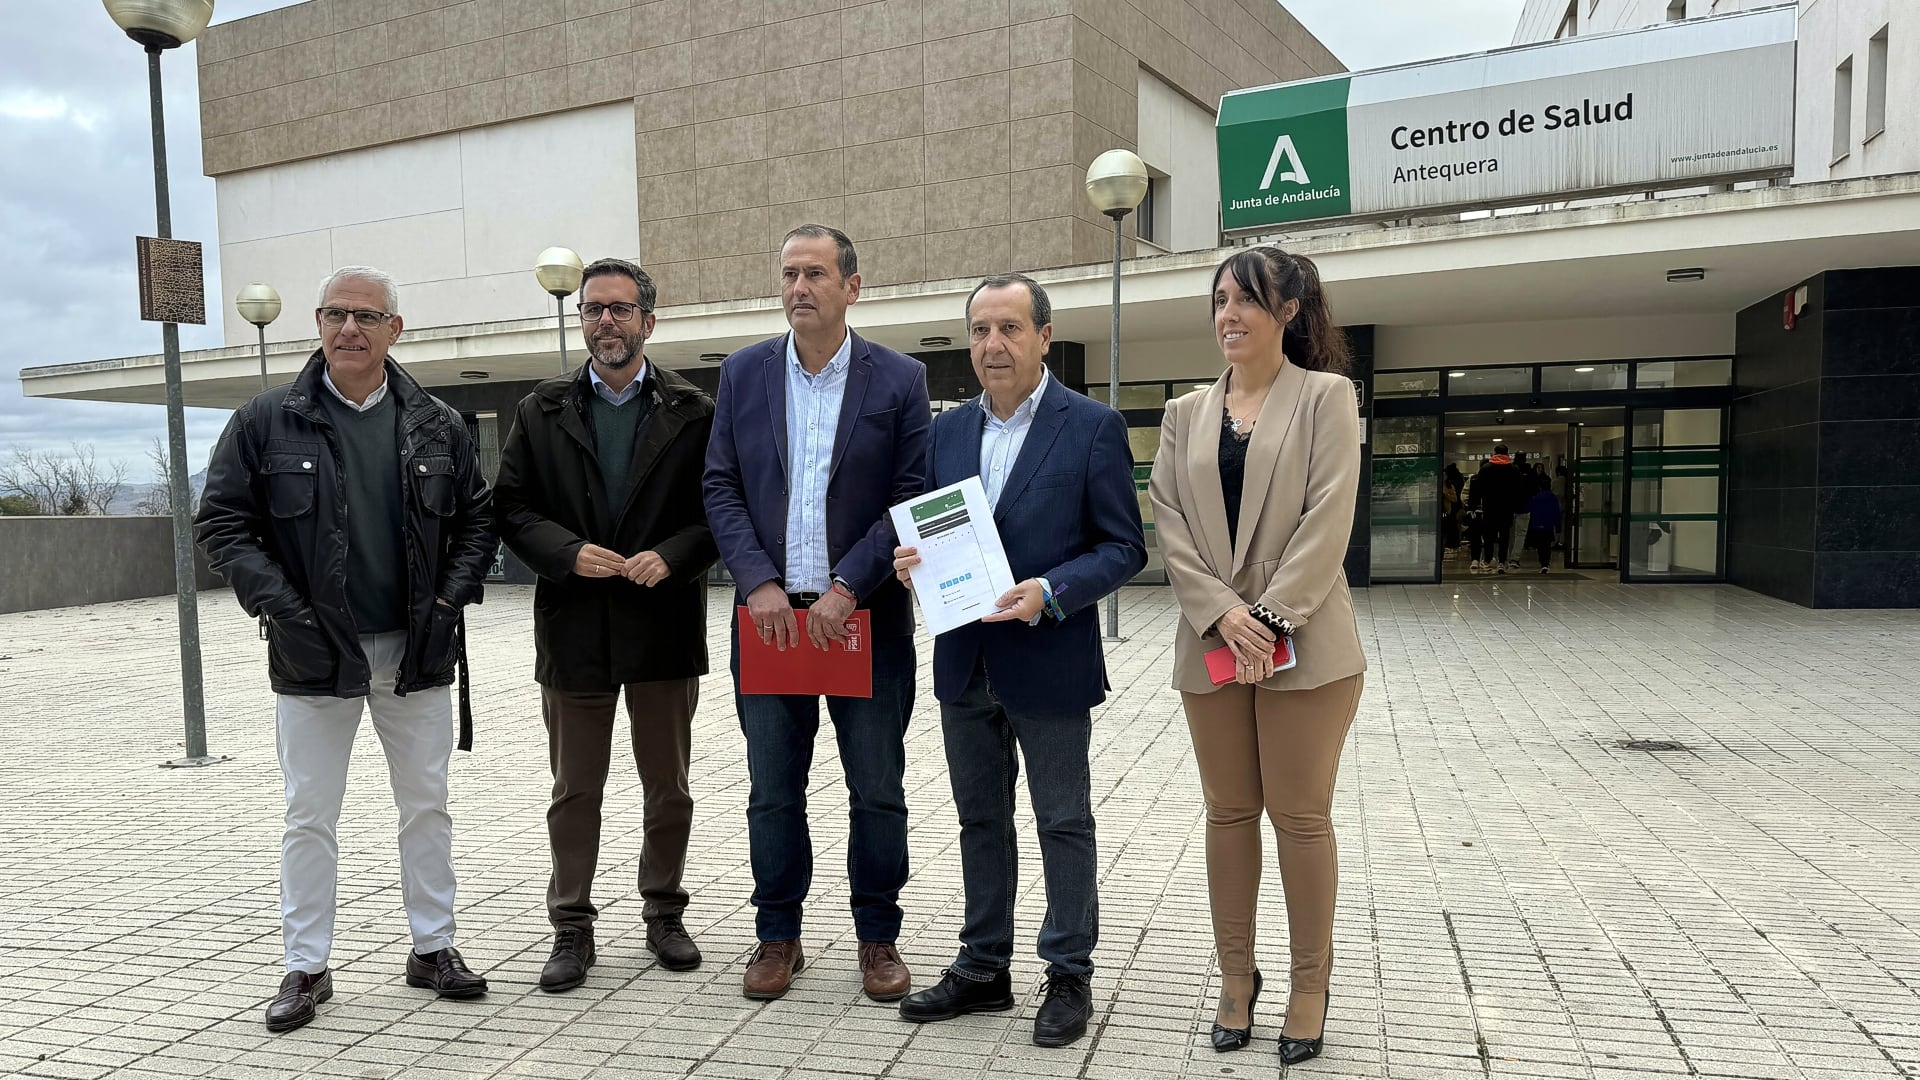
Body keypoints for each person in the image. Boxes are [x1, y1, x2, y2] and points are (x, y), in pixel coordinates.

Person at [195, 266, 496, 1033]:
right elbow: (223, 524)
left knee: (426, 805)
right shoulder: (266, 421)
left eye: (366, 315)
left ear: (396, 329)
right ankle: (306, 965)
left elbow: (476, 522)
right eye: (335, 313)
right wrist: (286, 611)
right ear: (317, 324)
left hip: (415, 649)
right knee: (309, 814)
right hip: (313, 653)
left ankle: (433, 948)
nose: (349, 328)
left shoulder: (437, 422)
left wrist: (445, 601)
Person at [891, 274, 1146, 1048]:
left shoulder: (1092, 426)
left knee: (1062, 820)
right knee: (978, 819)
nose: (992, 345)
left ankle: (1068, 972)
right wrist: (912, 562)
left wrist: (1052, 590)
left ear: (1042, 334)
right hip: (966, 660)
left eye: (1008, 328)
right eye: (978, 330)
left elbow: (1124, 547)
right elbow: (935, 534)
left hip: (1050, 656)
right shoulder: (944, 434)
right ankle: (983, 966)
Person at [1147, 247, 1366, 1066]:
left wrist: (1269, 618)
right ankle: (1237, 980)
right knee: (1229, 814)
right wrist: (1224, 613)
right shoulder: (1183, 413)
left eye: (1247, 301)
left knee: (1300, 817)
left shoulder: (1327, 399)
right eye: (1219, 301)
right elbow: (1169, 523)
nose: (1228, 315)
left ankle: (1311, 986)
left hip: (1304, 645)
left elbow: (1328, 516)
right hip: (1212, 642)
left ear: (1291, 313)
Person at [702, 225, 931, 1003]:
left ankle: (878, 937)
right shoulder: (743, 373)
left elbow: (910, 497)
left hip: (861, 622)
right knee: (773, 789)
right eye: (789, 272)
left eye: (817, 274)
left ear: (852, 287)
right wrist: (758, 580)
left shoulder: (899, 379)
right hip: (768, 622)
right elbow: (721, 486)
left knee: (877, 788)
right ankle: (778, 935)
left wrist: (847, 586)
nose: (800, 287)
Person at [492, 258, 717, 990]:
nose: (605, 322)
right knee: (575, 789)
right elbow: (512, 508)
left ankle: (663, 913)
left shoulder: (694, 411)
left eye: (620, 310)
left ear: (649, 321)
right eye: (593, 310)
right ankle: (571, 926)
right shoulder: (541, 408)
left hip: (662, 623)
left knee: (669, 787)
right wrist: (566, 553)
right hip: (575, 623)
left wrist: (675, 555)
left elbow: (722, 510)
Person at [1469, 444, 1527, 574]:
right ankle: (1502, 562)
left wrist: (1473, 505)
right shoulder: (1514, 469)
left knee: (1489, 535)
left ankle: (1488, 560)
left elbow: (1478, 489)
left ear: (1494, 453)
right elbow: (1519, 490)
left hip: (1490, 507)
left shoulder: (1486, 468)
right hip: (1507, 508)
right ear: (1507, 453)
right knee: (1504, 535)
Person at [1526, 482, 1561, 574]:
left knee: (1540, 546)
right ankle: (1546, 563)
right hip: (1548, 525)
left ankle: (1543, 563)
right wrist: (1558, 526)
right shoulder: (1553, 498)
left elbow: (1531, 511)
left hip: (1538, 525)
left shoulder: (1535, 498)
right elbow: (1556, 512)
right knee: (1547, 545)